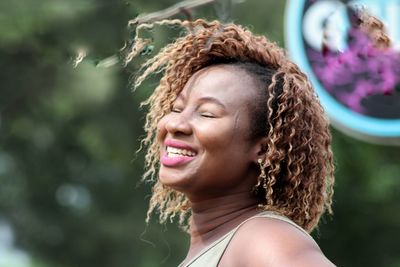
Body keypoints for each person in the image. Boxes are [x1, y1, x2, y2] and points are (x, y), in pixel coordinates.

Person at [132, 19, 335, 266]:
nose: (175, 124)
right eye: (177, 108)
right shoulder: (222, 244)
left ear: (263, 149)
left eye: (206, 113)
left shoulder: (264, 238)